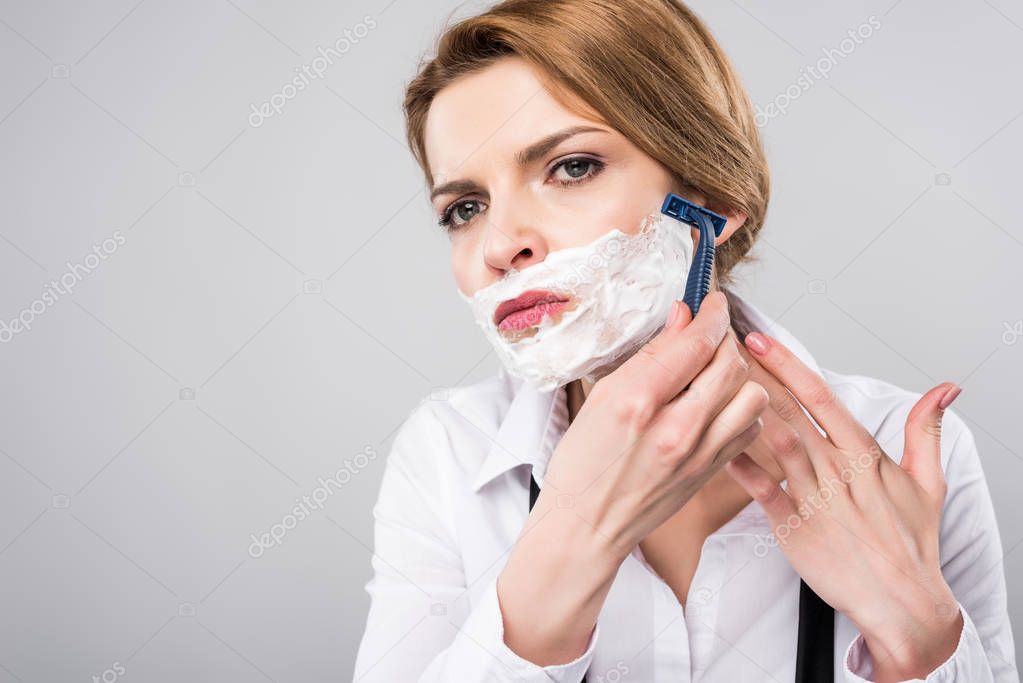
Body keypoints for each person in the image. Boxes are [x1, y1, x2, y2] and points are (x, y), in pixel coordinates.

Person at [353, 1, 1018, 680]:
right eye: (464, 208)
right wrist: (568, 542)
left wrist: (920, 634)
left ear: (714, 200)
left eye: (571, 167)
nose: (498, 245)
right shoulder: (448, 454)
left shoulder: (900, 451)